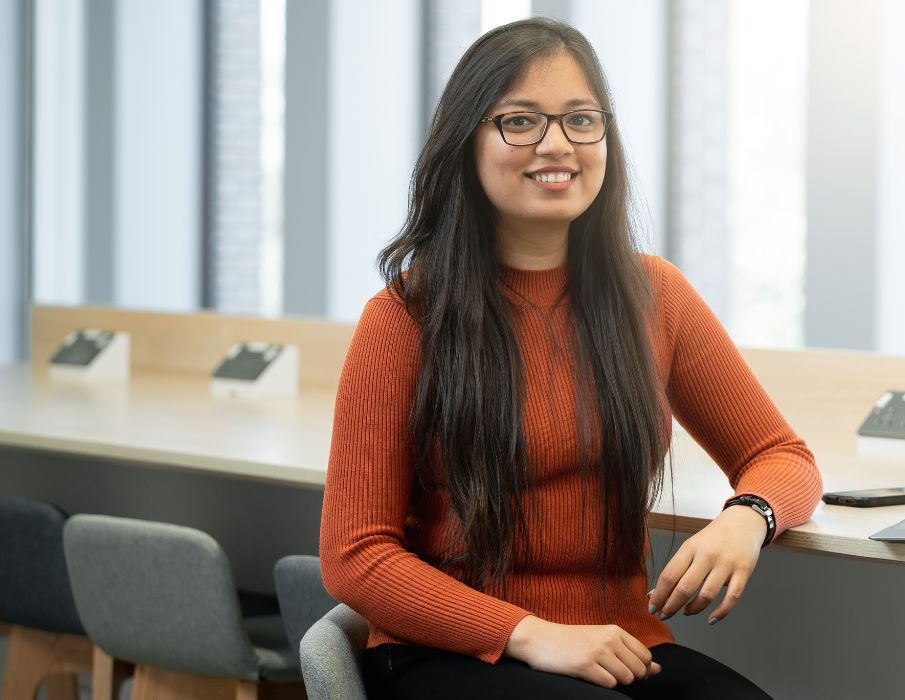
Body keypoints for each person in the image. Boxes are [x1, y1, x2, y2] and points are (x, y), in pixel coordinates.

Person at [320, 17, 822, 699]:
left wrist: (748, 517)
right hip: (450, 653)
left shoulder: (655, 295)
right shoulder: (405, 317)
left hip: (618, 645)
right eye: (520, 121)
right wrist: (530, 632)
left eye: (581, 120)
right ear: (465, 143)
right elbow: (355, 557)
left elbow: (783, 456)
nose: (557, 144)